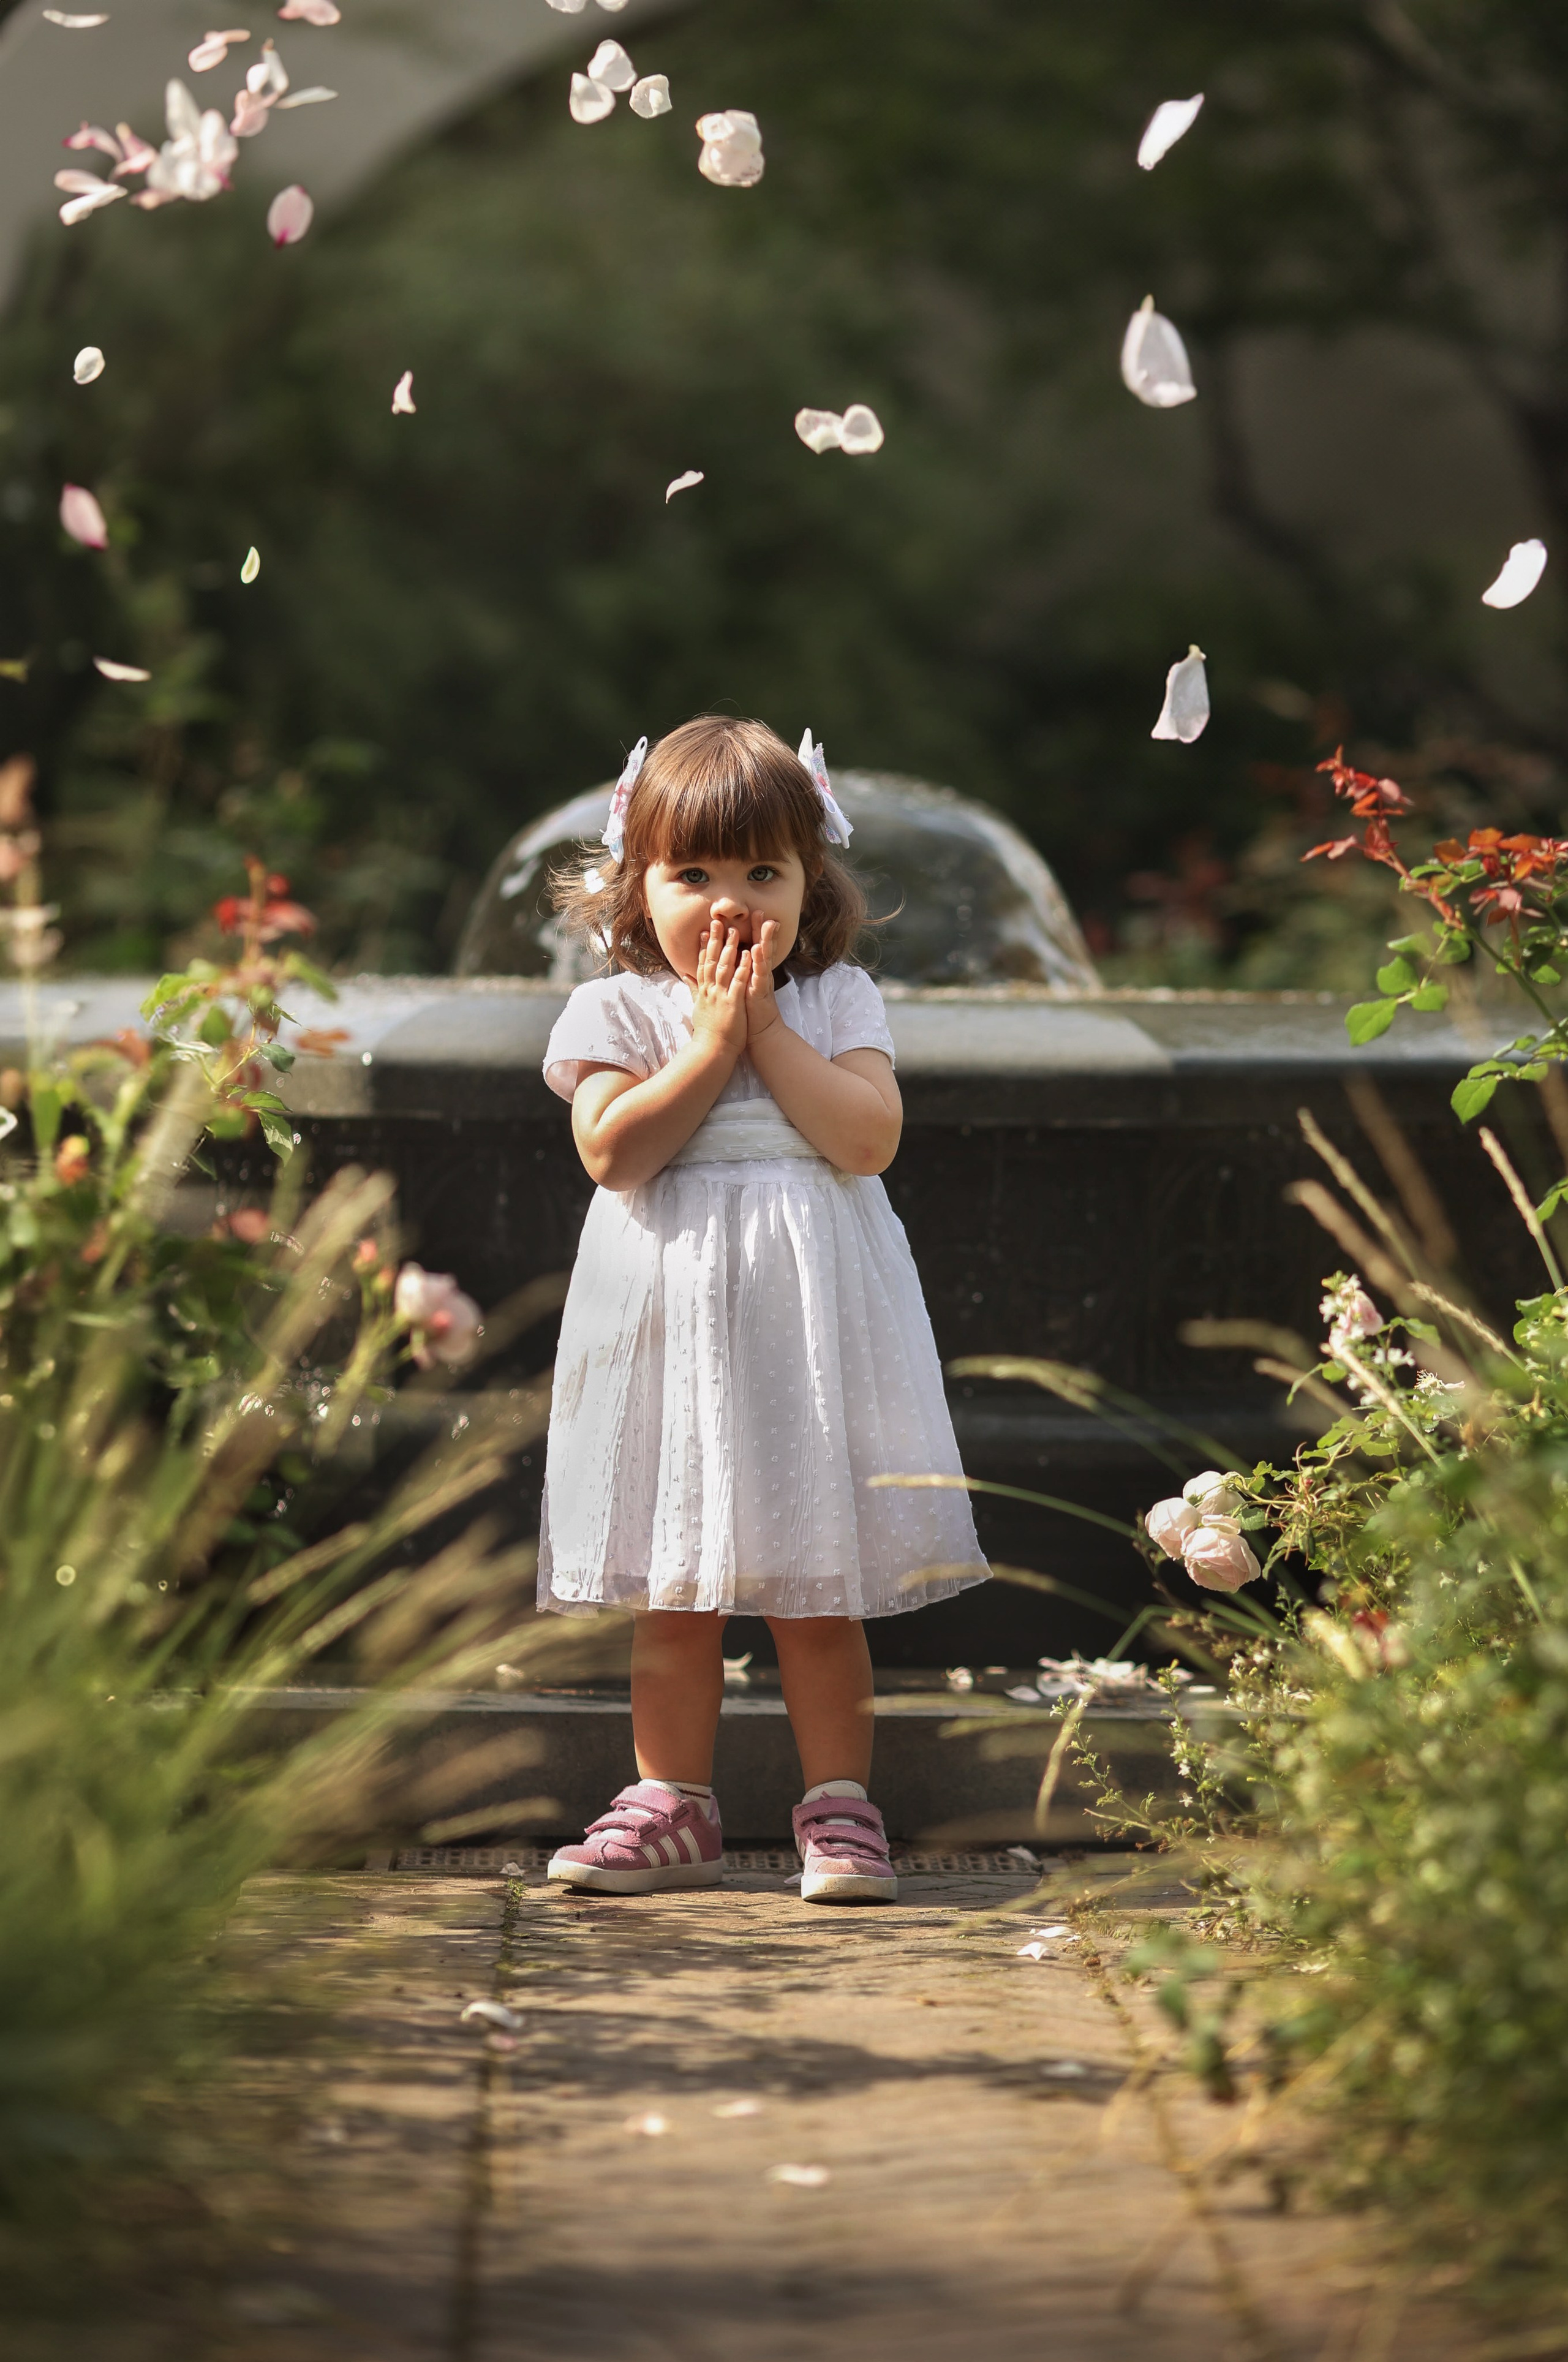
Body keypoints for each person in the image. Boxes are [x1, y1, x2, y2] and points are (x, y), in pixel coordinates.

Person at [538, 715, 987, 1904]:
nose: (729, 902)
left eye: (762, 873)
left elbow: (867, 1139)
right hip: (668, 1330)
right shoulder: (617, 1012)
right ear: (636, 886)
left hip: (807, 1334)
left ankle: (838, 1805)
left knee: (814, 1586)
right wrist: (707, 1045)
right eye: (692, 874)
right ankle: (671, 1802)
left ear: (808, 883)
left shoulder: (836, 1003)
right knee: (673, 1590)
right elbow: (614, 1156)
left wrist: (767, 1031)